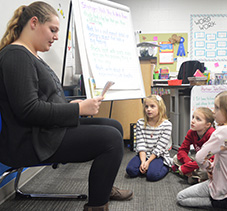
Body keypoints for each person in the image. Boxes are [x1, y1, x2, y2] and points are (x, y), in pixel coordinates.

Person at [0, 2, 133, 211]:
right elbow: (28, 110)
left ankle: (103, 187)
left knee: (114, 126)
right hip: (32, 141)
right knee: (111, 139)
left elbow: (43, 101)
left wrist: (72, 105)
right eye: (52, 30)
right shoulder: (16, 56)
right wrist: (78, 110)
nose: (56, 37)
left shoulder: (31, 56)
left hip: (45, 132)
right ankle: (97, 206)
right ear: (34, 23)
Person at [177, 90, 227, 211]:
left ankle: (223, 203)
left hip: (223, 187)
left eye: (217, 107)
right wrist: (211, 167)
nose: (213, 111)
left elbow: (200, 158)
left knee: (181, 197)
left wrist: (207, 168)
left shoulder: (224, 131)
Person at [126, 95, 172, 181]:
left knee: (152, 176)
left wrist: (148, 161)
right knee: (130, 170)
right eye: (146, 106)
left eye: (152, 106)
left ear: (160, 108)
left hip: (158, 155)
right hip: (144, 154)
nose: (148, 109)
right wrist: (143, 161)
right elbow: (141, 144)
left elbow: (160, 147)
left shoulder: (167, 125)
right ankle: (146, 167)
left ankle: (167, 166)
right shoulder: (140, 122)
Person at [172, 107, 215, 184]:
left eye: (198, 119)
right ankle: (194, 177)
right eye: (193, 117)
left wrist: (187, 167)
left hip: (209, 162)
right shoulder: (191, 132)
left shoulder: (212, 135)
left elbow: (210, 159)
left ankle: (190, 175)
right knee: (175, 158)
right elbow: (182, 150)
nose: (192, 121)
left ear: (207, 125)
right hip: (198, 161)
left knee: (206, 171)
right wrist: (188, 163)